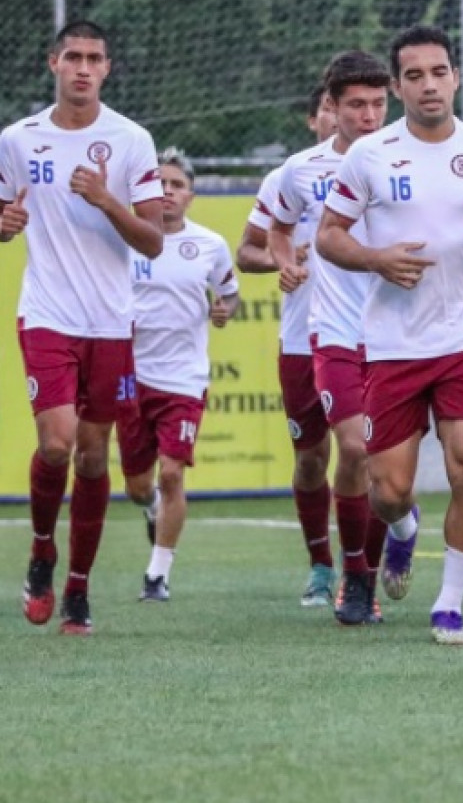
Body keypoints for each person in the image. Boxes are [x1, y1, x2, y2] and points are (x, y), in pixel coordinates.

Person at [316, 25, 463, 645]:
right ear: (398, 86)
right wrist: (377, 258)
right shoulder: (368, 155)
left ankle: (449, 604)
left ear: (455, 77)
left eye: (438, 72)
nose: (428, 85)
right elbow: (329, 235)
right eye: (414, 75)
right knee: (388, 489)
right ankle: (401, 530)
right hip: (392, 345)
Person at [0, 19, 165, 636]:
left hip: (111, 322)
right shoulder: (18, 139)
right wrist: (2, 227)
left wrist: (106, 201)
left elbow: (154, 237)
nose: (83, 68)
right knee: (57, 444)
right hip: (48, 314)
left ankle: (79, 591)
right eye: (73, 57)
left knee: (93, 459)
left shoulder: (131, 140)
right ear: (53, 64)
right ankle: (42, 550)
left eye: (94, 58)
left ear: (107, 69)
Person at [268, 52, 395, 625]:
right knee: (350, 450)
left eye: (378, 104)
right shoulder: (300, 170)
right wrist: (281, 261)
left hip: (401, 337)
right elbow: (272, 228)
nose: (369, 116)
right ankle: (349, 573)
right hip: (332, 332)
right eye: (355, 105)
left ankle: (387, 545)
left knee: (391, 480)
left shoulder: (409, 158)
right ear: (332, 108)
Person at [237, 84, 345, 606]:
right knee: (310, 458)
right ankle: (322, 565)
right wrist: (283, 263)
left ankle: (369, 558)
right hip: (303, 338)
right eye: (327, 108)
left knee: (366, 454)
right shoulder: (293, 174)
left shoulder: (382, 166)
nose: (337, 116)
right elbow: (247, 251)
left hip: (365, 338)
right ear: (314, 119)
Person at [120, 150, 239, 602]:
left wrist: (224, 310)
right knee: (137, 485)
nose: (167, 191)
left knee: (172, 473)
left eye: (176, 184)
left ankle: (157, 574)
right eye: (159, 183)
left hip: (184, 379)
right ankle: (150, 508)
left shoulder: (208, 245)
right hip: (132, 379)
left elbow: (231, 295)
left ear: (190, 195)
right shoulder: (124, 239)